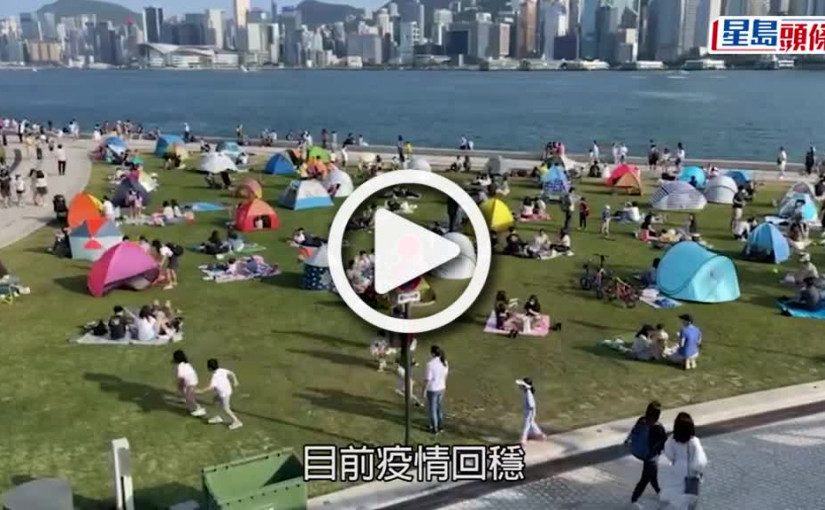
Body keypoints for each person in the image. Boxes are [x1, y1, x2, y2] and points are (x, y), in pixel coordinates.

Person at [659, 413, 707, 510]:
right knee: (690, 501)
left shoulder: (672, 440)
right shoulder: (694, 441)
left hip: (677, 470)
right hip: (691, 472)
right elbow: (700, 461)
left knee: (677, 499)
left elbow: (669, 454)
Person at [625, 400, 667, 508]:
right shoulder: (658, 428)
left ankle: (660, 493)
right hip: (651, 457)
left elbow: (633, 432)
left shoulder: (641, 420)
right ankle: (634, 500)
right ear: (658, 415)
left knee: (651, 477)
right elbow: (663, 444)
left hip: (641, 454)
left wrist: (628, 441)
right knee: (645, 479)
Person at [196, 358, 243, 430]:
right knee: (215, 401)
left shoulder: (214, 377)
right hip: (227, 391)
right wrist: (235, 381)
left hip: (224, 394)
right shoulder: (222, 370)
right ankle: (218, 417)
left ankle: (237, 421)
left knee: (226, 408)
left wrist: (200, 391)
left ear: (209, 368)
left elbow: (210, 388)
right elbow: (231, 373)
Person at [172, 350, 206, 417]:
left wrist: (180, 385)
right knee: (185, 392)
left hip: (191, 382)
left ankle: (197, 409)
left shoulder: (180, 367)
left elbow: (181, 378)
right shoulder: (185, 363)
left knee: (189, 396)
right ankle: (187, 402)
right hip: (191, 380)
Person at [423, 345, 448, 434]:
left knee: (432, 409)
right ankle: (440, 426)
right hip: (442, 387)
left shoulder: (430, 364)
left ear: (432, 353)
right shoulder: (444, 362)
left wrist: (424, 390)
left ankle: (434, 428)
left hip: (433, 389)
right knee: (439, 407)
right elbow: (445, 375)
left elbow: (428, 379)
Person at [517, 378, 546, 446]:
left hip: (529, 412)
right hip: (528, 411)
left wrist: (530, 413)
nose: (520, 387)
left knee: (526, 425)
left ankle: (523, 441)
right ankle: (541, 435)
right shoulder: (527, 392)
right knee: (531, 423)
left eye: (522, 385)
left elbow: (531, 405)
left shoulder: (528, 393)